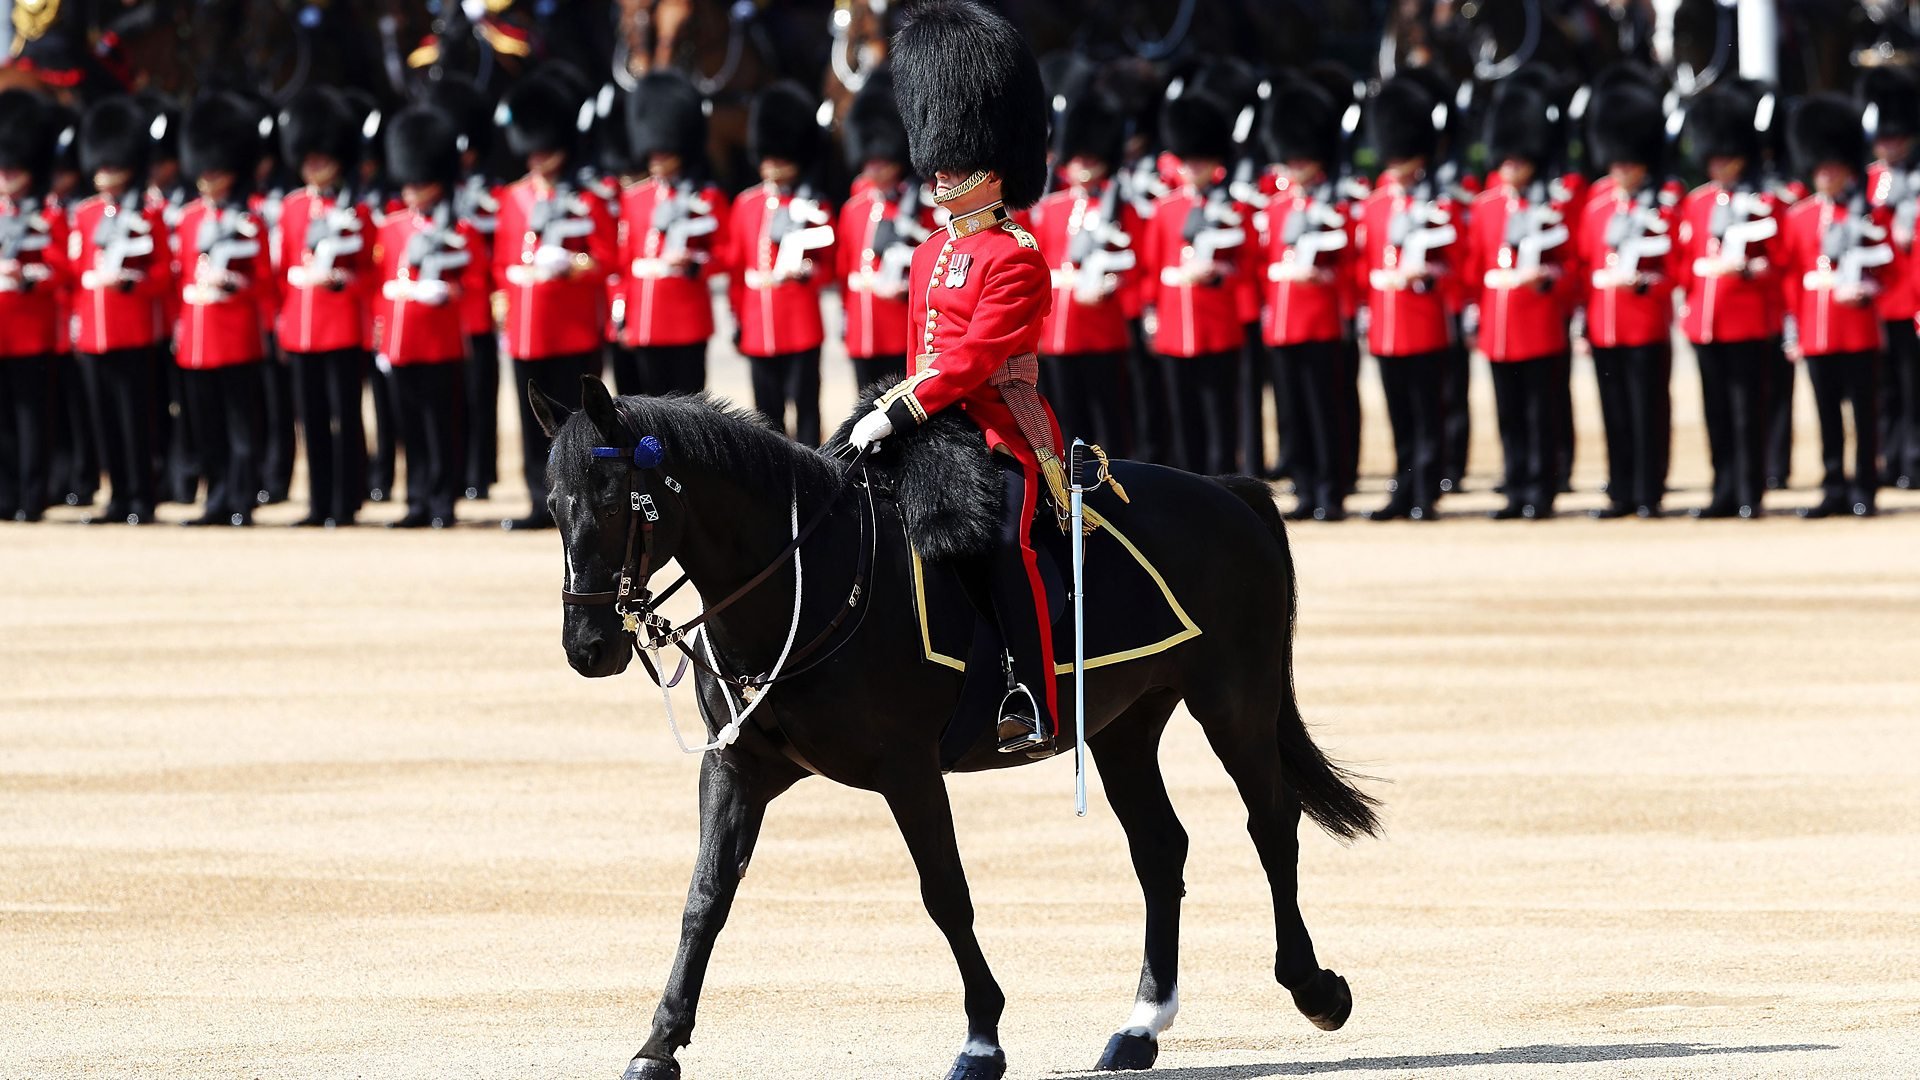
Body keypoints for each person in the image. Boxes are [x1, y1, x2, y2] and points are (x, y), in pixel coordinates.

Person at [848, 0, 1062, 755]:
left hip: (1001, 430)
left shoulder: (1018, 256)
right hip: (932, 422)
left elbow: (973, 357)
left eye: (959, 162)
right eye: (939, 158)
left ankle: (1036, 697)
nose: (941, 173)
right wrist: (896, 418)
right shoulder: (926, 253)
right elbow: (920, 353)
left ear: (995, 170)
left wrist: (900, 413)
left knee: (1008, 545)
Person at [494, 68, 615, 530]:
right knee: (532, 423)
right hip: (526, 328)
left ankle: (580, 499)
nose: (540, 159)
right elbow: (502, 262)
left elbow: (605, 256)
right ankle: (538, 498)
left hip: (571, 324)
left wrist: (572, 263)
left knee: (577, 422)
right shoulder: (512, 197)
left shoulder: (587, 198)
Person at [371, 106, 489, 529]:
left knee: (442, 426)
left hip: (440, 341)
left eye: (420, 181)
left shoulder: (459, 227)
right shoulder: (391, 226)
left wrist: (449, 291)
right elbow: (379, 284)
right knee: (410, 429)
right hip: (400, 343)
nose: (412, 189)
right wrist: (381, 339)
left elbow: (476, 280)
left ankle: (442, 500)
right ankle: (417, 499)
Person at [1464, 84, 1574, 520]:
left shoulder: (1552, 205)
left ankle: (1541, 491)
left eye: (1519, 158)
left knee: (1538, 416)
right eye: (1506, 158)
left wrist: (1546, 277)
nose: (1511, 166)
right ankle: (1515, 488)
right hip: (1498, 328)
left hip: (1539, 326)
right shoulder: (1486, 206)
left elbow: (1572, 268)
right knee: (1509, 417)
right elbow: (1474, 268)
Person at [1356, 77, 1462, 521]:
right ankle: (1402, 486)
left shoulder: (1439, 202)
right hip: (1386, 323)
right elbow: (1364, 263)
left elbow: (1459, 261)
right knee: (1399, 415)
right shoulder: (1375, 204)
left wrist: (1431, 274)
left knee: (1426, 413)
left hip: (1423, 320)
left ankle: (1425, 490)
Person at [1780, 94, 1890, 518]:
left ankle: (1865, 486)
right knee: (1826, 418)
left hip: (1858, 328)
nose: (1826, 175)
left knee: (1864, 414)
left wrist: (1868, 286)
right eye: (1820, 168)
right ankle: (1833, 486)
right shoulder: (1800, 217)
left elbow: (1891, 270)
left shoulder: (1869, 216)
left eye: (1833, 167)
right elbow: (1791, 278)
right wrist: (1794, 330)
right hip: (1816, 331)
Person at [1138, 87, 1257, 476]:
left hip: (1218, 325)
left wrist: (1221, 275)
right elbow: (1151, 268)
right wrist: (1151, 316)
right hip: (1174, 328)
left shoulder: (1233, 207)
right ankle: (1189, 483)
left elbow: (1247, 264)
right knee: (1182, 415)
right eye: (1187, 161)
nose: (1193, 168)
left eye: (1199, 160)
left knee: (1221, 416)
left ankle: (1224, 482)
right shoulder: (1164, 210)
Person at [1675, 85, 1782, 519]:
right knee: (1716, 412)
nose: (1719, 164)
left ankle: (1748, 492)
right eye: (1714, 158)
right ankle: (1722, 488)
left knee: (1747, 413)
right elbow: (1686, 263)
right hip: (1706, 321)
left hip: (1747, 320)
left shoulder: (1764, 201)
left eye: (1727, 156)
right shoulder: (1697, 202)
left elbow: (1781, 259)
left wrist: (1756, 271)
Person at [1255, 77, 1355, 521]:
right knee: (1293, 412)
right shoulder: (1275, 208)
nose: (1295, 164)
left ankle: (1331, 492)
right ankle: (1306, 488)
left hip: (1321, 321)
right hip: (1282, 322)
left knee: (1323, 411)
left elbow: (1352, 262)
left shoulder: (1339, 202)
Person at [1026, 69, 1140, 456]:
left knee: (1108, 416)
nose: (1084, 166)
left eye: (1092, 158)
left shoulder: (1119, 206)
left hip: (1100, 327)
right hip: (1055, 331)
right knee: (1063, 418)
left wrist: (1112, 288)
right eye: (1077, 158)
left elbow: (1136, 263)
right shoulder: (1051, 209)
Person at [273, 86, 374, 528]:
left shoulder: (357, 210)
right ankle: (318, 502)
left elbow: (370, 274)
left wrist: (343, 282)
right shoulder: (292, 208)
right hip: (301, 327)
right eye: (308, 158)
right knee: (310, 420)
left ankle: (346, 499)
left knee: (345, 417)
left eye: (322, 157)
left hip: (342, 325)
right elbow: (282, 270)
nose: (314, 166)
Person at [174, 92, 276, 527]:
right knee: (207, 427)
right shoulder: (190, 217)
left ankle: (241, 499)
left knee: (240, 427)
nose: (206, 175)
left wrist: (233, 283)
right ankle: (215, 498)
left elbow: (264, 278)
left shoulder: (249, 219)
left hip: (235, 334)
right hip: (197, 337)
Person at [73, 94, 175, 526]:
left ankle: (141, 496)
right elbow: (76, 271)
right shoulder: (85, 214)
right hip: (94, 332)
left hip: (132, 329)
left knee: (136, 421)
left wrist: (131, 282)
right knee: (106, 422)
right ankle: (117, 496)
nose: (104, 173)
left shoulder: (147, 214)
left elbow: (162, 273)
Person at [1580, 85, 1680, 519]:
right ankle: (1620, 490)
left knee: (1647, 411)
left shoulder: (1664, 203)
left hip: (1645, 321)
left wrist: (1647, 284)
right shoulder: (1597, 203)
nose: (1621, 168)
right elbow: (1586, 263)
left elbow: (1677, 263)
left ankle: (1649, 490)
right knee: (1614, 413)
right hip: (1605, 322)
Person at [729, 81, 835, 444]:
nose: (772, 164)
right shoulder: (746, 204)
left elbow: (829, 266)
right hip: (758, 326)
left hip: (800, 321)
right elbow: (735, 269)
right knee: (765, 418)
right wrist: (738, 317)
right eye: (768, 156)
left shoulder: (813, 207)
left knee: (806, 413)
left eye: (780, 157)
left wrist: (807, 273)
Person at [615, 70, 726, 399]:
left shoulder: (706, 198)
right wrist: (620, 315)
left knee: (690, 408)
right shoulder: (634, 198)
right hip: (644, 319)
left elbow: (725, 254)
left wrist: (695, 262)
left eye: (665, 152)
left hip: (686, 316)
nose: (658, 158)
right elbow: (623, 264)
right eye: (653, 153)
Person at [421, 74, 504, 502]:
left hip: (476, 308)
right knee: (450, 399)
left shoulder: (485, 196)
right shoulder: (433, 197)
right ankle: (455, 473)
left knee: (478, 394)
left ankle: (480, 470)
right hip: (441, 315)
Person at [836, 68, 932, 391]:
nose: (874, 168)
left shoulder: (920, 205)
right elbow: (843, 266)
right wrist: (845, 315)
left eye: (882, 161)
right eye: (870, 162)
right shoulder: (854, 208)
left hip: (898, 327)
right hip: (862, 327)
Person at [0, 89, 68, 523]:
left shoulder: (48, 215)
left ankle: (32, 495)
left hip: (31, 330)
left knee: (31, 421)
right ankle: (5, 495)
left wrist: (28, 277)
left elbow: (61, 268)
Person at [1858, 65, 1920, 490]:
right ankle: (1889, 458)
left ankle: (1914, 460)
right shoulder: (1868, 182)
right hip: (1879, 298)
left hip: (1914, 299)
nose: (1889, 145)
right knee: (1884, 391)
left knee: (1915, 388)